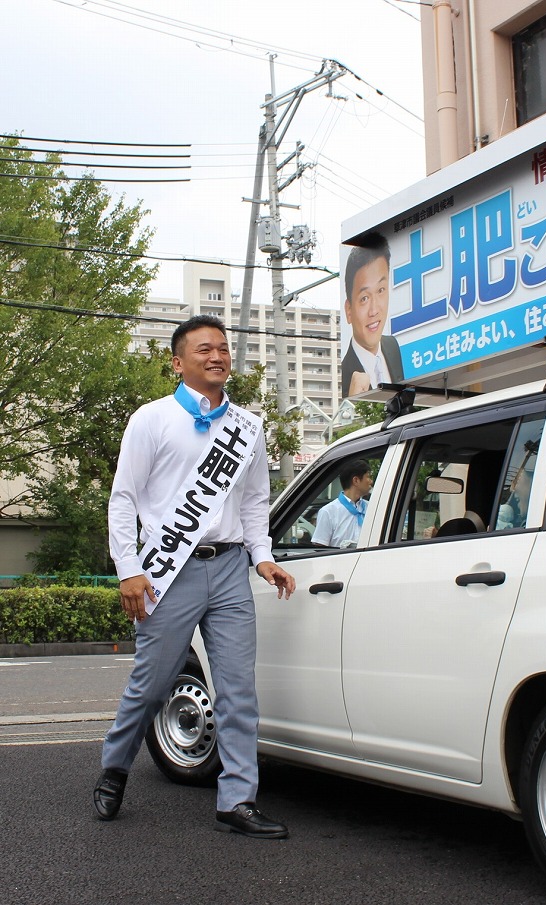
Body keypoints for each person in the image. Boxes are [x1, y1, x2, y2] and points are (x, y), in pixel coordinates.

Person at [95, 314, 296, 838]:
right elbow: (123, 499)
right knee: (152, 683)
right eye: (205, 348)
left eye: (224, 348)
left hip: (229, 566)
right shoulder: (152, 419)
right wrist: (129, 569)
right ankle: (115, 767)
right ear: (178, 362)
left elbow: (254, 501)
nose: (217, 356)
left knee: (236, 689)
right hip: (169, 571)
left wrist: (262, 556)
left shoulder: (247, 428)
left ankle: (237, 799)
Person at [341, 239, 405, 397]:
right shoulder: (344, 378)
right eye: (364, 298)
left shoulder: (392, 346)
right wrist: (352, 402)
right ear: (349, 310)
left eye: (381, 290)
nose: (374, 310)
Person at [311, 459, 373, 547]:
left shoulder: (372, 508)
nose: (371, 481)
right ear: (356, 480)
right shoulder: (328, 512)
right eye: (368, 477)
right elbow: (320, 547)